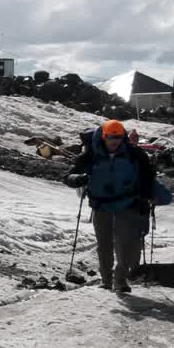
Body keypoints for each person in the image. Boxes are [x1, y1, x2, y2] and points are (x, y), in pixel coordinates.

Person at [64, 119, 156, 295]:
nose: (114, 141)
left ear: (123, 137)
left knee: (125, 243)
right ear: (103, 137)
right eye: (110, 137)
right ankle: (106, 281)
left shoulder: (134, 153)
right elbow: (68, 176)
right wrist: (77, 179)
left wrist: (145, 200)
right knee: (104, 244)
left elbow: (148, 176)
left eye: (118, 137)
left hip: (127, 204)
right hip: (101, 205)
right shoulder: (91, 154)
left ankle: (120, 280)